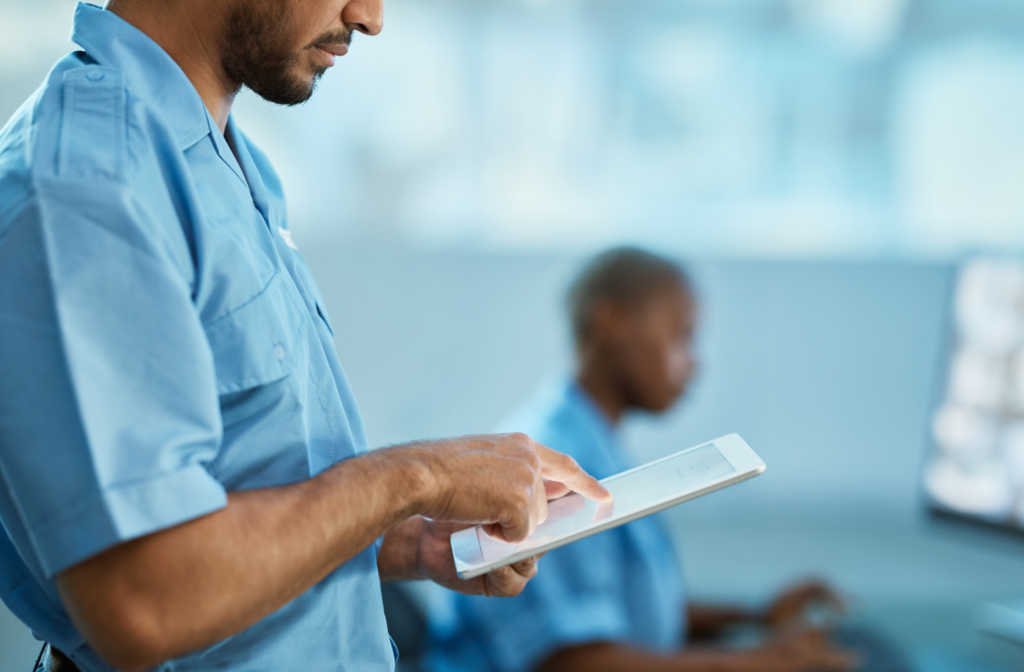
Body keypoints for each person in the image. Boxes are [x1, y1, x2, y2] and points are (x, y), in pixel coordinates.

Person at [0, 3, 612, 672]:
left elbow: (242, 489)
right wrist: (414, 476)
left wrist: (411, 541)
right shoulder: (86, 184)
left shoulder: (229, 159)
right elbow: (143, 597)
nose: (370, 17)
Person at [426, 248, 856, 672]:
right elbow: (570, 661)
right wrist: (750, 664)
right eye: (682, 334)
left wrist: (755, 617)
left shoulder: (595, 443)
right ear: (612, 322)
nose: (696, 361)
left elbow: (626, 613)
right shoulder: (552, 459)